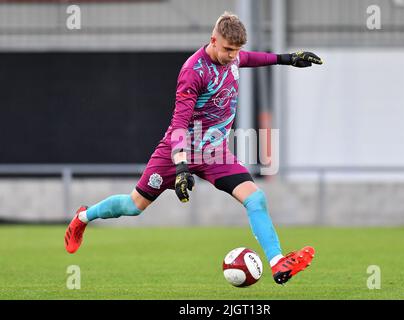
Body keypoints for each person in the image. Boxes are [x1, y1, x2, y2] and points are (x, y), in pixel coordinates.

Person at [64, 11, 323, 285]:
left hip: (215, 153)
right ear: (213, 40)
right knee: (133, 205)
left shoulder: (233, 58)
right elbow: (178, 123)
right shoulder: (193, 71)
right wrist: (181, 166)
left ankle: (277, 263)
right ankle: (83, 216)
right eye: (227, 49)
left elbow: (253, 58)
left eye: (237, 50)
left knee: (256, 199)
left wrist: (287, 59)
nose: (233, 56)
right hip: (178, 151)